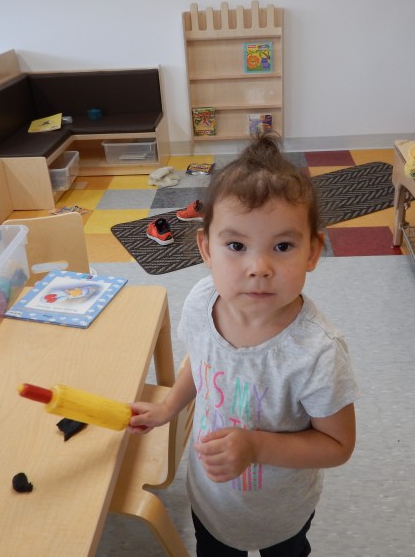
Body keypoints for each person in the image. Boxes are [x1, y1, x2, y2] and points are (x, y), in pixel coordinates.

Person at [128, 132, 358, 556]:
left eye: (283, 246)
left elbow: (338, 445)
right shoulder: (202, 302)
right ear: (206, 248)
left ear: (312, 252)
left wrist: (255, 447)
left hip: (280, 511)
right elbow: (199, 362)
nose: (259, 267)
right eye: (236, 245)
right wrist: (168, 408)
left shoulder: (317, 351)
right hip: (211, 500)